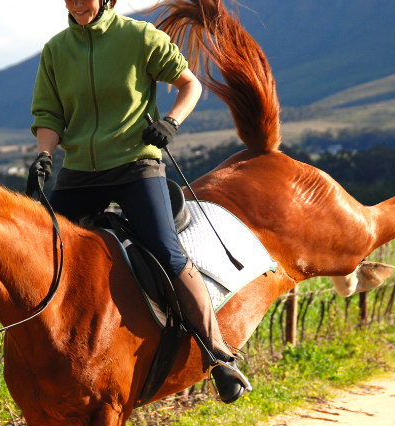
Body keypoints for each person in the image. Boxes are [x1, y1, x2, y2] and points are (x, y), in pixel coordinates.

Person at [28, 0, 250, 403]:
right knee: (40, 249)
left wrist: (171, 122)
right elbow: (49, 115)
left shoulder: (140, 37)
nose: (78, 2)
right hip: (79, 172)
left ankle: (219, 355)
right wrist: (44, 156)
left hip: (135, 166)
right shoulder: (56, 51)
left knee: (167, 251)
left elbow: (190, 85)